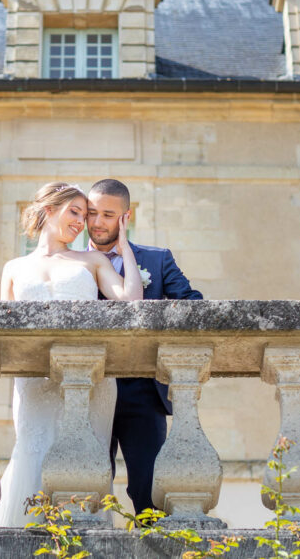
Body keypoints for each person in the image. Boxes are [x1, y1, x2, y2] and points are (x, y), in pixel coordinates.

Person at [0, 181, 142, 527]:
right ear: (48, 210)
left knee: (85, 459)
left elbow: (130, 303)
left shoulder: (93, 259)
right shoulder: (13, 267)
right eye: (74, 212)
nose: (81, 222)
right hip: (34, 382)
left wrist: (124, 245)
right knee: (32, 453)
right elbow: (5, 332)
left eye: (84, 215)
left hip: (91, 381)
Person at [85, 178, 203, 515]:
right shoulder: (72, 263)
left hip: (144, 391)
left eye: (108, 214)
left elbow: (194, 306)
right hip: (86, 388)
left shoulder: (157, 259)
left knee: (149, 491)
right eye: (92, 213)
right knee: (84, 487)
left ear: (126, 217)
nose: (97, 222)